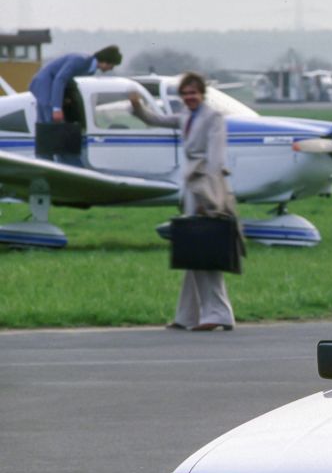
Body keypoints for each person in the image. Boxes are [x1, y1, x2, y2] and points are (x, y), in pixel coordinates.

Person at [129, 72, 237, 331]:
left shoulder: (213, 118)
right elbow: (157, 119)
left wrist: (207, 199)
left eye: (194, 93)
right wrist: (137, 108)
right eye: (186, 94)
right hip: (190, 186)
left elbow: (215, 160)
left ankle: (218, 313)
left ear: (202, 94)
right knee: (192, 253)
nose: (190, 98)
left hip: (206, 187)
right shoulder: (187, 116)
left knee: (206, 253)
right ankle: (187, 315)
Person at [30, 44, 122, 165]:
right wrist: (56, 108)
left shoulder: (88, 66)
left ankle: (51, 161)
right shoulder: (81, 61)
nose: (111, 69)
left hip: (49, 85)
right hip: (45, 84)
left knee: (48, 127)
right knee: (51, 126)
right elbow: (60, 79)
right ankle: (53, 162)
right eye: (112, 65)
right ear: (105, 62)